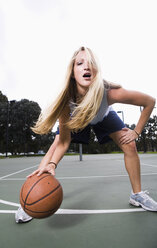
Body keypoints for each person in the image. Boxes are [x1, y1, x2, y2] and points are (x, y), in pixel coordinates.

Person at [16, 46, 157, 223]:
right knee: (57, 141)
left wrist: (136, 131)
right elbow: (64, 142)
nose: (86, 66)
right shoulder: (67, 101)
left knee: (130, 145)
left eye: (91, 63)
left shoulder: (109, 93)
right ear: (73, 73)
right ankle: (29, 201)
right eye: (80, 63)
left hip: (102, 116)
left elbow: (150, 101)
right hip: (78, 118)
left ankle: (136, 195)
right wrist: (52, 164)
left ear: (97, 71)